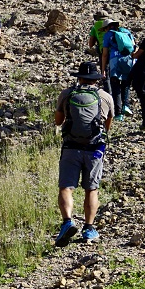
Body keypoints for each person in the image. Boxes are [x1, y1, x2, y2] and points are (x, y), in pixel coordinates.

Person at [53, 61, 115, 246]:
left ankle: (67, 222)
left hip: (71, 147)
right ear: (96, 79)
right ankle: (88, 228)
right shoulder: (105, 97)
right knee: (91, 189)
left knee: (66, 187)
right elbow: (107, 126)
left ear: (79, 77)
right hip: (94, 149)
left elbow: (58, 121)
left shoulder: (67, 94)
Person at [99, 21, 136, 121]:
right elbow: (134, 47)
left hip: (115, 61)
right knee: (126, 84)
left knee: (115, 86)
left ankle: (118, 113)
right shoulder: (126, 32)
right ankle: (126, 106)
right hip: (128, 60)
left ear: (107, 27)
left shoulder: (108, 34)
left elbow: (104, 54)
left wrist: (103, 69)